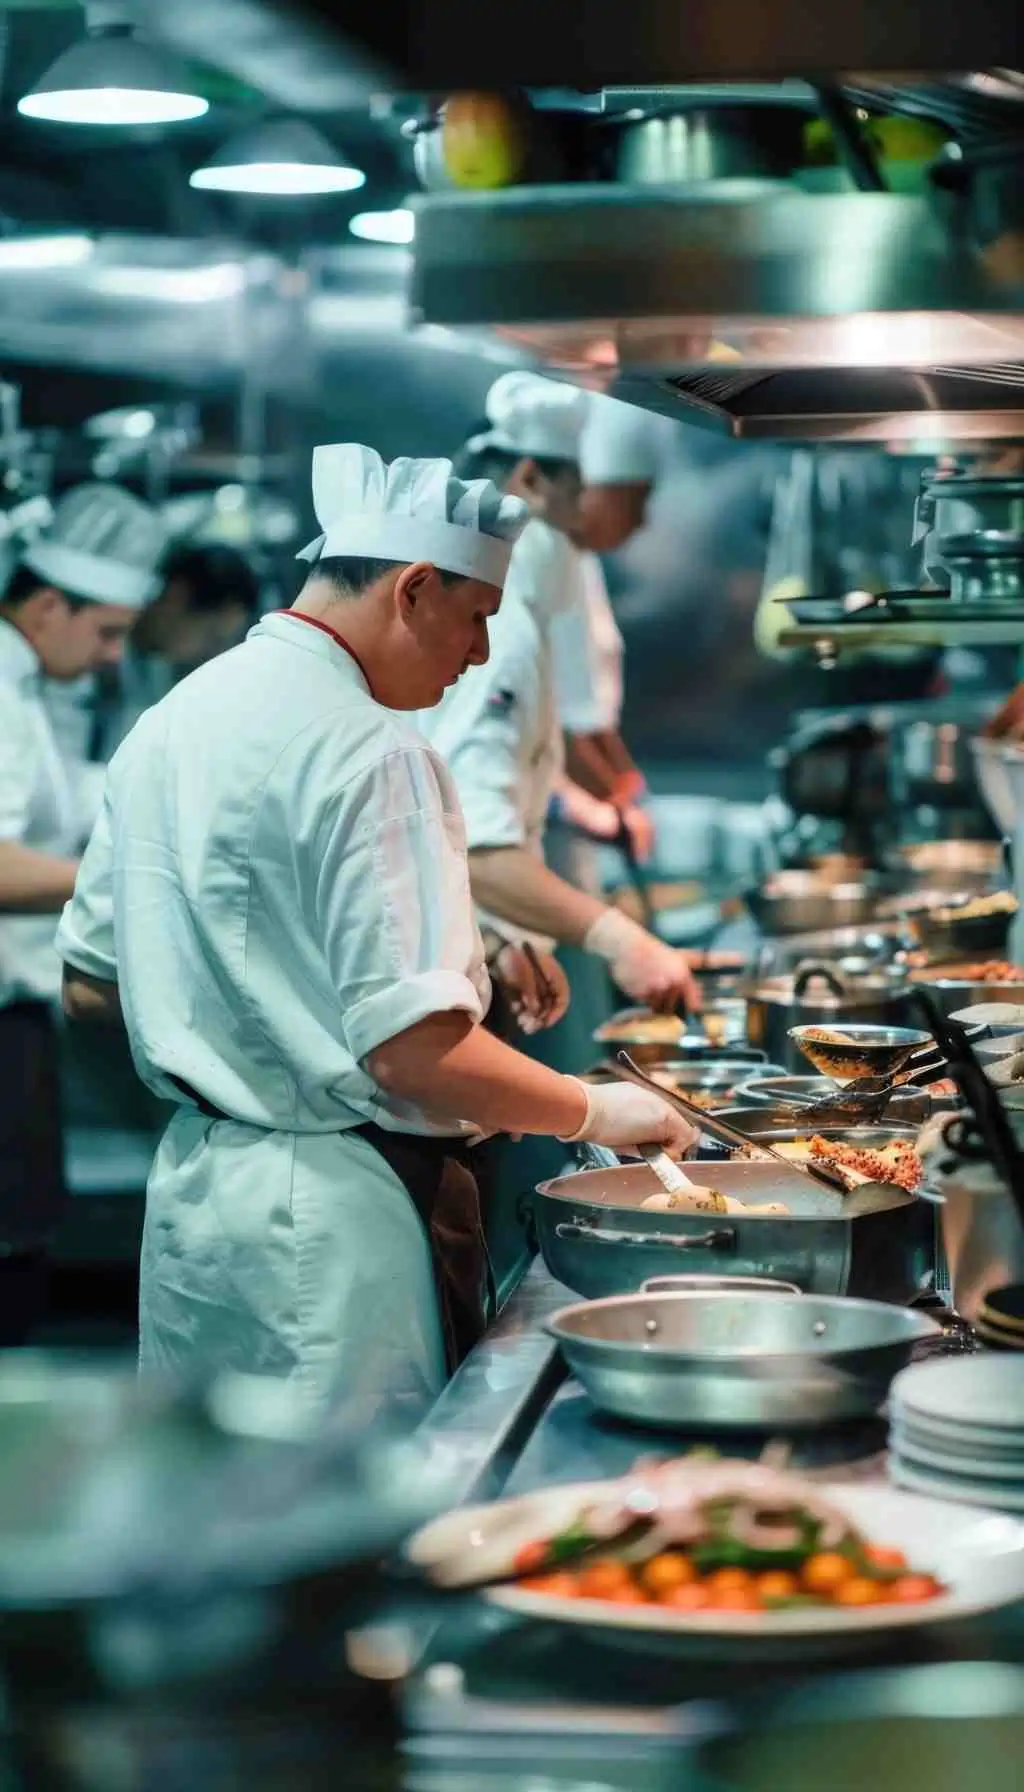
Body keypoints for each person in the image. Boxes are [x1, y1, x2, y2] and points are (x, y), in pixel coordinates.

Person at [57, 444, 695, 1423]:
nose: (479, 654)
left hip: (199, 1201)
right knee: (349, 1539)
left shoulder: (174, 717)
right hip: (339, 1219)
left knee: (218, 1527)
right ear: (414, 587)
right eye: (476, 618)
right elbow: (410, 1054)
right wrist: (594, 1109)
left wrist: (448, 951)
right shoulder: (371, 747)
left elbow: (95, 982)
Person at [427, 373, 701, 1018]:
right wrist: (622, 940)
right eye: (595, 495)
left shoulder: (535, 586)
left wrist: (504, 938)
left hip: (469, 938)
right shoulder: (500, 624)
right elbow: (479, 849)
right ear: (530, 481)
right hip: (424, 959)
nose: (635, 519)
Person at [0, 482, 167, 1342]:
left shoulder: (31, 687)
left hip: (21, 1021)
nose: (112, 656)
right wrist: (124, 879)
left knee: (23, 1244)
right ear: (46, 604)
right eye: (104, 632)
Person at [95, 541, 261, 758]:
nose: (213, 655)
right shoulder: (95, 649)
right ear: (177, 595)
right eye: (212, 637)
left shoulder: (156, 671)